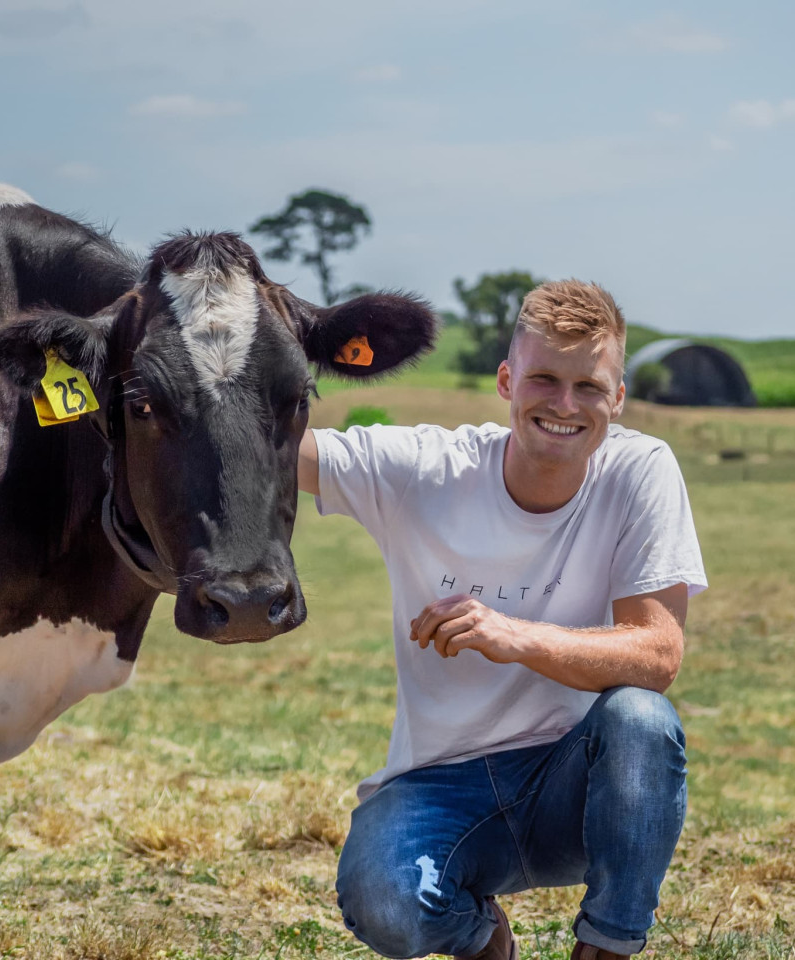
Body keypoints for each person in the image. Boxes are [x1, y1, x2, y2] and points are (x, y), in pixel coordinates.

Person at [297, 280, 707, 960]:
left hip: (573, 784)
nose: (565, 405)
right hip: (439, 781)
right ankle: (486, 942)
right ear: (506, 379)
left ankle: (604, 947)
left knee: (641, 719)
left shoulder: (641, 471)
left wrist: (512, 636)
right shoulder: (428, 469)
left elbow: (658, 654)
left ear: (620, 398)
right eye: (544, 379)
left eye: (590, 387)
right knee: (384, 902)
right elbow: (283, 452)